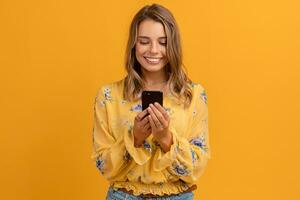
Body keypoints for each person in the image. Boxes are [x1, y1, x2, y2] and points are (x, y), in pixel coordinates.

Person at [91, 3, 211, 200]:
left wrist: (166, 139)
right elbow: (104, 166)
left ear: (173, 45)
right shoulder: (108, 97)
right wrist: (135, 138)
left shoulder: (193, 95)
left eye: (163, 42)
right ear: (133, 45)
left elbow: (196, 168)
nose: (153, 50)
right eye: (144, 41)